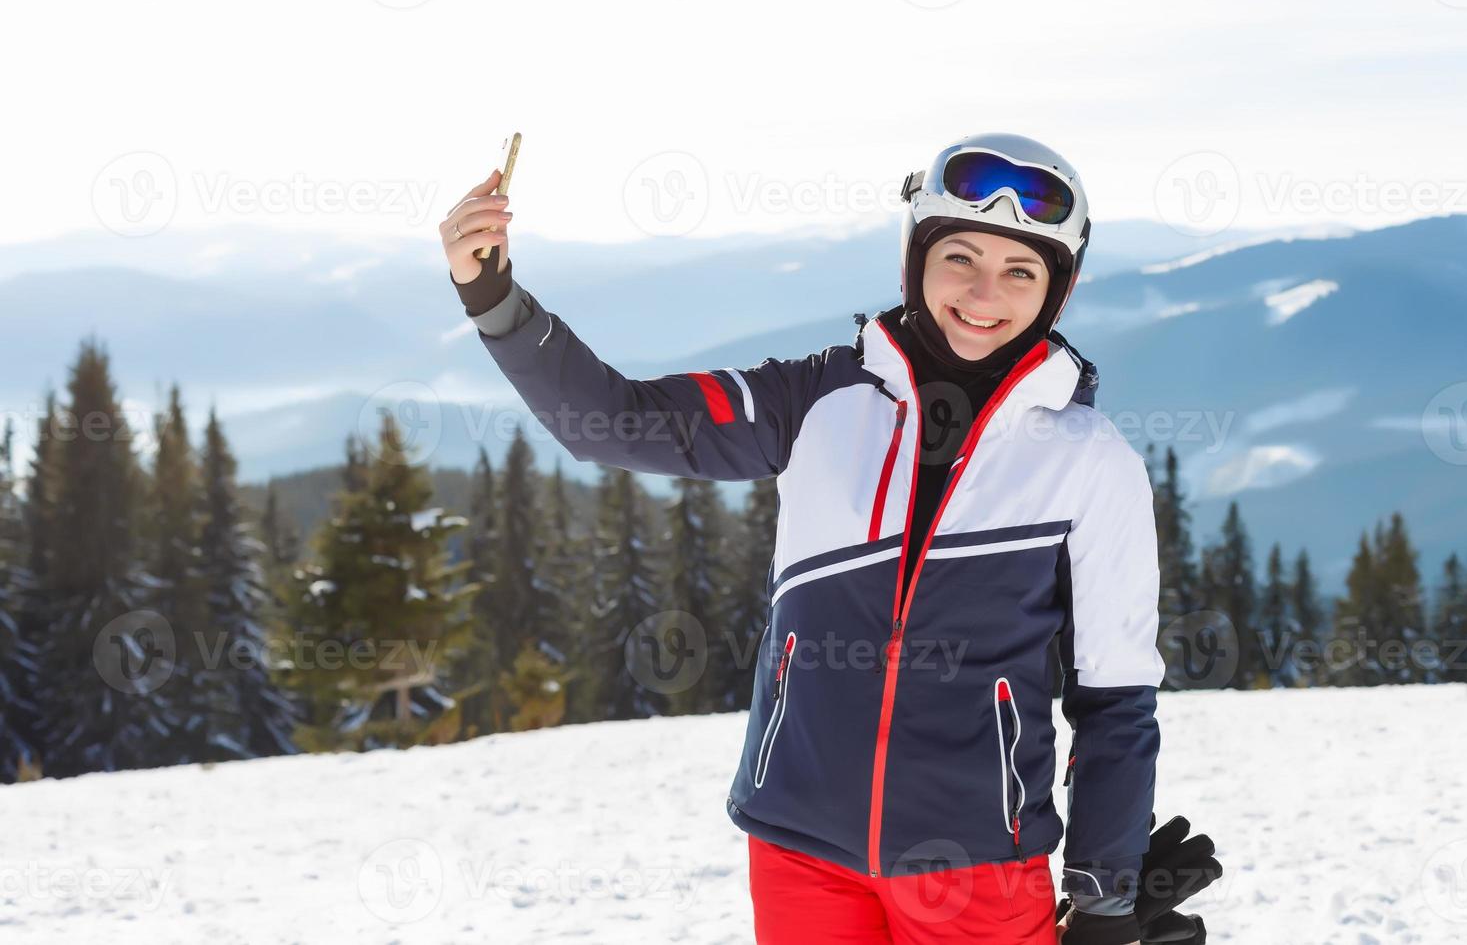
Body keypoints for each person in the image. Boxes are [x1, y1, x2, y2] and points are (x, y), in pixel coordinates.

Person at [441, 133, 1163, 945]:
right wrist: (494, 299)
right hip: (800, 853)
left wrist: (1104, 896)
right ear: (916, 256)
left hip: (978, 870)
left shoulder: (1092, 463)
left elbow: (1116, 699)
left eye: (1021, 271)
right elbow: (618, 422)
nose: (984, 292)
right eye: (960, 256)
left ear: (1054, 292)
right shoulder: (815, 397)